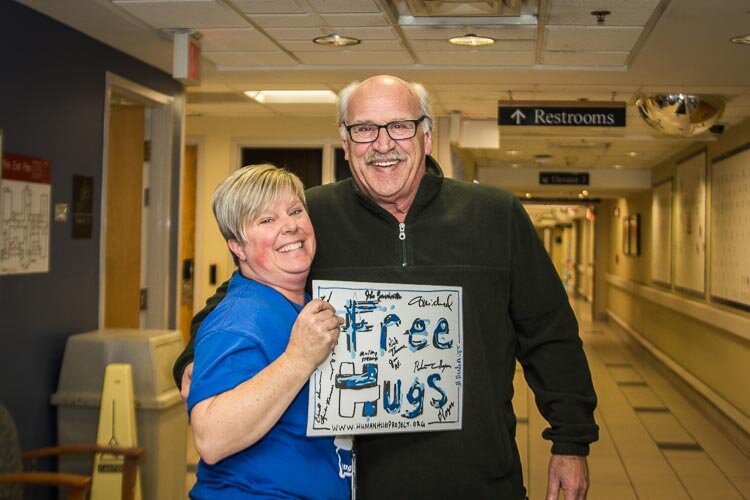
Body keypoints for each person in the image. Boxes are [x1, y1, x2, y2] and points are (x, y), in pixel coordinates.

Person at [175, 75, 598, 499]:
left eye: (400, 125)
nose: (382, 144)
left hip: (481, 477)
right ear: (346, 143)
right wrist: (195, 359)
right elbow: (242, 289)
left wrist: (570, 442)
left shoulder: (494, 216)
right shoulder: (312, 219)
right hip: (365, 483)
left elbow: (550, 333)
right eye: (364, 129)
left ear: (426, 136)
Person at [185, 164, 352, 499]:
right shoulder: (238, 320)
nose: (290, 226)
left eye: (294, 211)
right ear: (237, 247)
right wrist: (298, 359)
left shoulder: (303, 306)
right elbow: (211, 439)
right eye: (266, 220)